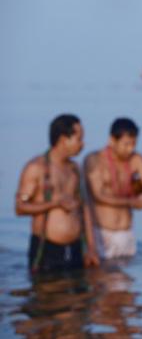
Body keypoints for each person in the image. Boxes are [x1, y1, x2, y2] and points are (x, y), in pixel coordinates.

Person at [15, 114, 100, 273]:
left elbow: (85, 208)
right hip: (47, 250)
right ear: (63, 140)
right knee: (47, 294)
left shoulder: (75, 169)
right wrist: (54, 203)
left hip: (76, 249)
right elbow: (20, 208)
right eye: (79, 139)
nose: (82, 144)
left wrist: (92, 248)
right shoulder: (36, 168)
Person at [84, 118, 142, 260]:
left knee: (125, 280)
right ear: (112, 140)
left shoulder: (137, 160)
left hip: (126, 234)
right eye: (126, 144)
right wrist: (131, 202)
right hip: (101, 233)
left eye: (133, 144)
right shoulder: (94, 160)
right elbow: (98, 195)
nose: (130, 149)